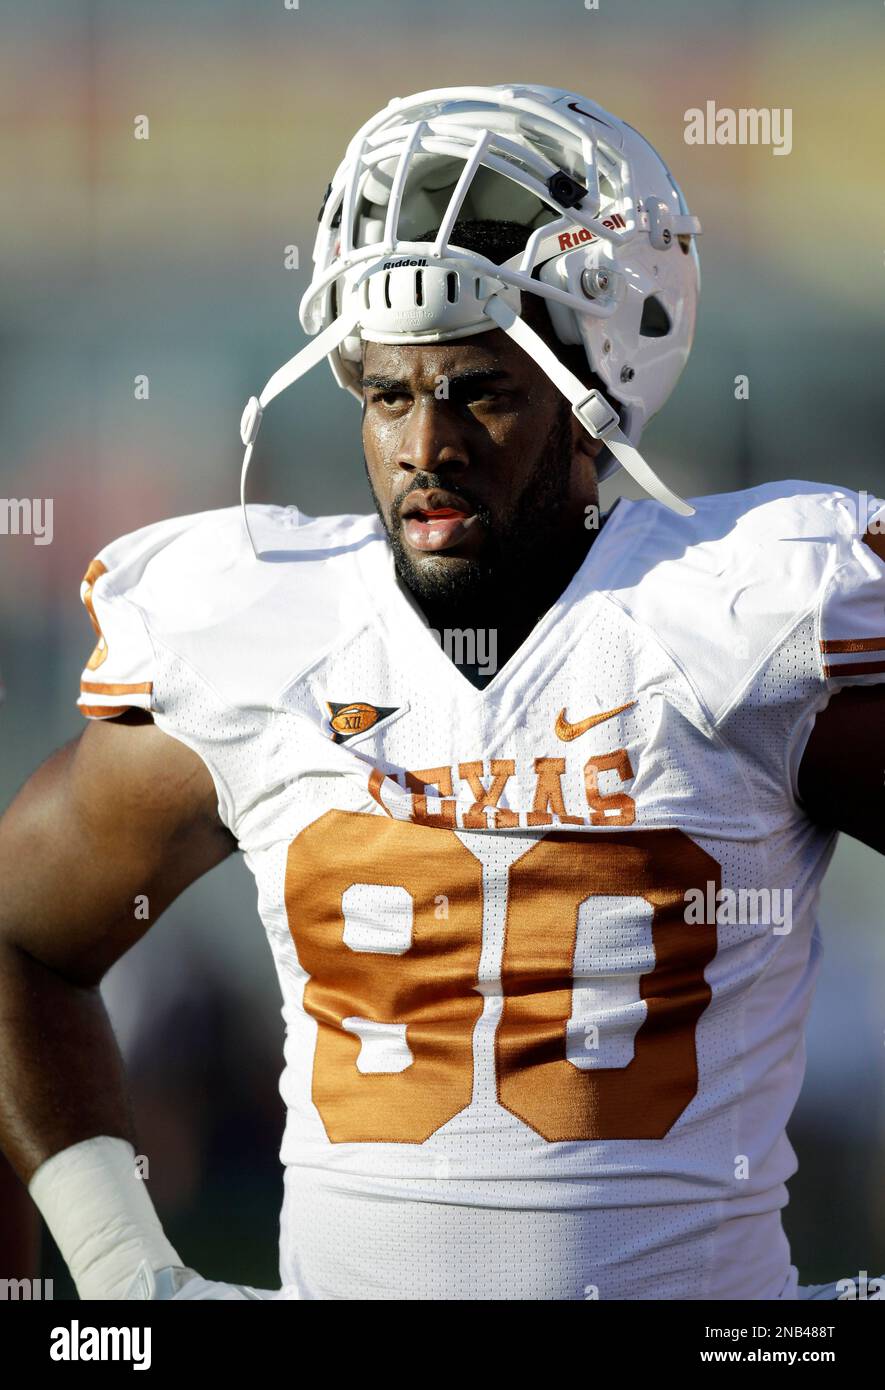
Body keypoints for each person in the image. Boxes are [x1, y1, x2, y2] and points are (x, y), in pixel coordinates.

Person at [1, 84, 883, 1301]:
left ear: (593, 398)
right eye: (390, 394)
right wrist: (118, 1271)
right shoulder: (266, 634)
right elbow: (20, 940)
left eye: (480, 390)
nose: (426, 447)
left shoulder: (733, 625)